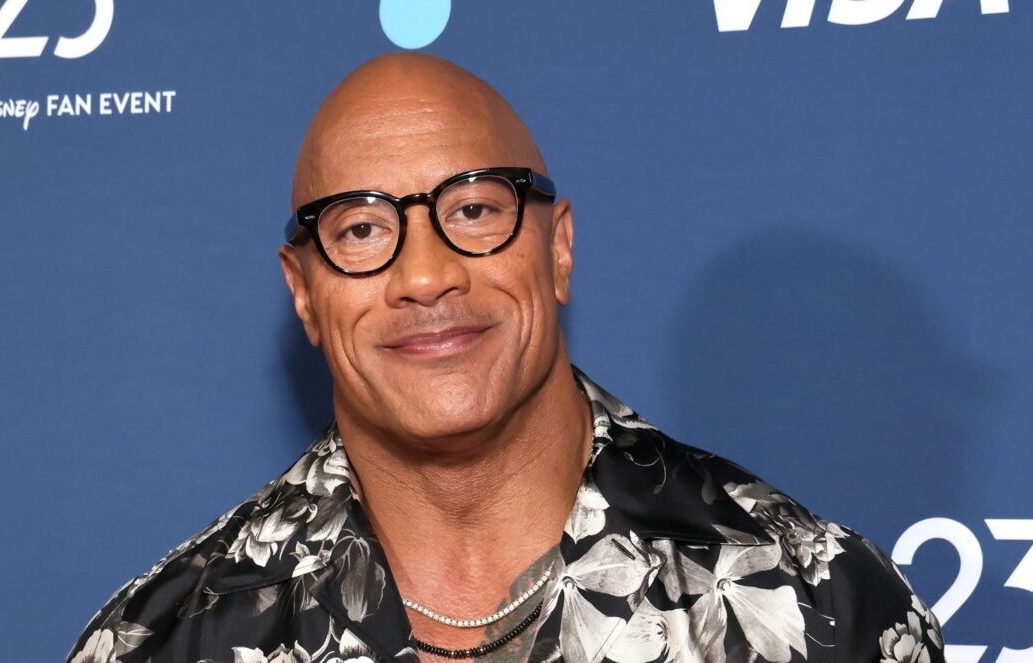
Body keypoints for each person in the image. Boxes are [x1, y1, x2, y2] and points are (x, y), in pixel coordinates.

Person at [66, 53, 944, 663]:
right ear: (303, 292)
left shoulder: (820, 606)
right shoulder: (161, 641)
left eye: (475, 210)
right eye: (362, 229)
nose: (425, 275)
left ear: (557, 249)